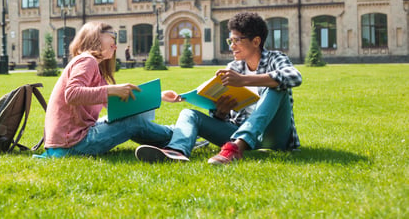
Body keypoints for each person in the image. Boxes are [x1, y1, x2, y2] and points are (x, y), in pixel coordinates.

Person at [135, 12, 302, 165]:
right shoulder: (233, 67)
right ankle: (176, 152)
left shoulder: (275, 58)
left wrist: (243, 80)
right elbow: (223, 117)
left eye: (237, 40)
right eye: (230, 41)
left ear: (256, 41)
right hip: (237, 131)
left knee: (275, 86)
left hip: (274, 136)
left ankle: (236, 148)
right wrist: (221, 113)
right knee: (189, 114)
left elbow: (294, 77)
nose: (232, 46)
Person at [37, 21, 173, 158]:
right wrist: (110, 90)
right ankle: (176, 136)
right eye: (112, 36)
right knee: (133, 123)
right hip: (72, 142)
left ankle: (173, 136)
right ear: (95, 36)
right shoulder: (87, 60)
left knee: (130, 118)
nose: (115, 45)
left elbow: (117, 106)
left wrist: (157, 96)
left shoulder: (94, 68)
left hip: (71, 138)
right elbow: (72, 94)